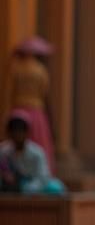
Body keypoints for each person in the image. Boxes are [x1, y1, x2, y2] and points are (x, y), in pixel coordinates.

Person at [4, 37, 56, 171]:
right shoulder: (40, 70)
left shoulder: (15, 69)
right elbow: (45, 94)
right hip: (36, 111)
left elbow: (9, 92)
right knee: (38, 142)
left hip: (18, 109)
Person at [0, 112, 64, 193]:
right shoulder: (4, 151)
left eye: (21, 130)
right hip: (9, 187)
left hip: (32, 187)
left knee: (56, 188)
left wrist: (26, 188)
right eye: (14, 130)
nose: (17, 134)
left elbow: (43, 177)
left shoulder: (37, 153)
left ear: (27, 133)